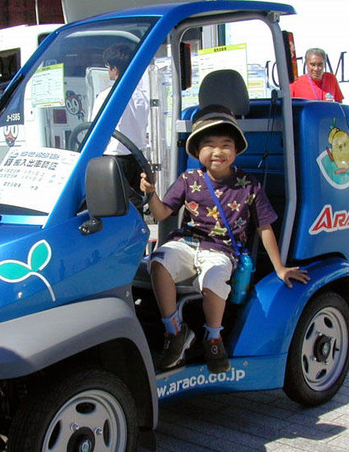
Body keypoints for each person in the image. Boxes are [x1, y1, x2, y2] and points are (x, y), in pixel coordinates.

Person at [140, 105, 310, 373]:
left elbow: (265, 227)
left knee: (215, 276)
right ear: (198, 152)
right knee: (158, 262)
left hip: (222, 250)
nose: (218, 151)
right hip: (187, 243)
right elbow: (162, 213)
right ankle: (175, 331)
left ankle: (213, 337)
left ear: (236, 149)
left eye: (225, 144)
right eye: (209, 145)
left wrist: (279, 267)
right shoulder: (188, 179)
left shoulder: (249, 184)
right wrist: (151, 193)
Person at [91, 44, 149, 204]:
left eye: (108, 67)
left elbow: (95, 132)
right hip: (137, 159)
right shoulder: (140, 96)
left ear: (114, 68)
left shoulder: (105, 97)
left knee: (114, 207)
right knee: (136, 206)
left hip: (113, 161)